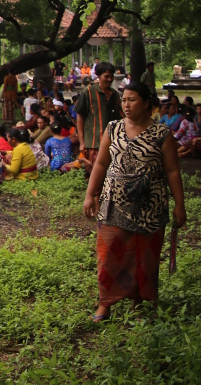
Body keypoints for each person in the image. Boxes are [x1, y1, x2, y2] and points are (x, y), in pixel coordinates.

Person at [83, 81, 186, 322]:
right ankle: (105, 305)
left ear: (147, 103)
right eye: (124, 100)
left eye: (132, 100)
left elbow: (172, 171)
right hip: (113, 202)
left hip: (150, 204)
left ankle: (139, 303)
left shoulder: (162, 134)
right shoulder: (113, 128)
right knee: (108, 253)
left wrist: (180, 204)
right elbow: (100, 163)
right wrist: (90, 194)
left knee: (144, 256)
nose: (126, 105)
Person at [74, 62, 121, 174]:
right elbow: (80, 117)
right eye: (106, 76)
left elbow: (121, 116)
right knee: (96, 174)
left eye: (111, 76)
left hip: (112, 142)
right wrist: (82, 142)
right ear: (98, 76)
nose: (110, 79)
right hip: (93, 143)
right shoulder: (89, 91)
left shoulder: (115, 94)